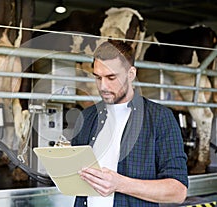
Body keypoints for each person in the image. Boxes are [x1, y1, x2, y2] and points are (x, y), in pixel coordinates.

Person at [71, 40, 188, 207]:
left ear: (131, 74)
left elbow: (178, 191)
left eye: (111, 77)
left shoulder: (160, 118)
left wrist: (120, 184)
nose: (103, 86)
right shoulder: (87, 117)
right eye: (98, 77)